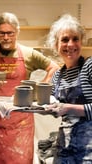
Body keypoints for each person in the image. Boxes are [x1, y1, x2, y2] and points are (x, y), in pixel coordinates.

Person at [0, 12, 59, 164]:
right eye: (1, 33)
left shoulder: (28, 53)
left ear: (17, 32)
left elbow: (54, 67)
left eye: (10, 33)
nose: (5, 37)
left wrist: (39, 89)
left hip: (21, 123)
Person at [45, 14, 92, 163]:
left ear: (81, 42)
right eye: (65, 40)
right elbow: (53, 107)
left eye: (75, 39)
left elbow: (64, 108)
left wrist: (67, 108)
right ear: (56, 45)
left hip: (89, 151)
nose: (70, 45)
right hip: (64, 148)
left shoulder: (89, 67)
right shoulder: (57, 76)